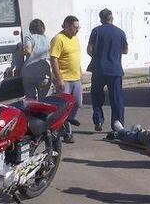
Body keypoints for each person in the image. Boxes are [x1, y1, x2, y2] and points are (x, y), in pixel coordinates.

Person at [87, 8, 128, 132]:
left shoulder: (96, 31)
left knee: (97, 96)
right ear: (112, 18)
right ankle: (117, 124)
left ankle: (98, 120)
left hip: (98, 69)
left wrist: (97, 56)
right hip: (115, 70)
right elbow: (125, 50)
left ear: (101, 19)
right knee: (116, 99)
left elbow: (89, 49)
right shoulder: (120, 32)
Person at [50, 15, 83, 144]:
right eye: (75, 27)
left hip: (76, 78)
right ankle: (67, 133)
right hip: (64, 79)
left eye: (78, 27)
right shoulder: (58, 39)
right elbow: (54, 59)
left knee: (77, 104)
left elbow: (75, 56)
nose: (77, 30)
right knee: (63, 107)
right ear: (67, 26)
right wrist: (59, 79)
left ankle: (63, 125)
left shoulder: (75, 38)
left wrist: (79, 71)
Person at [21, 19, 51, 100]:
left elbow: (28, 51)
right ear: (43, 28)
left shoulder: (29, 37)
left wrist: (20, 51)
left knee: (31, 100)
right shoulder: (49, 39)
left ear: (31, 29)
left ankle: (32, 113)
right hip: (44, 73)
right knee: (45, 100)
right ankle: (44, 113)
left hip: (29, 73)